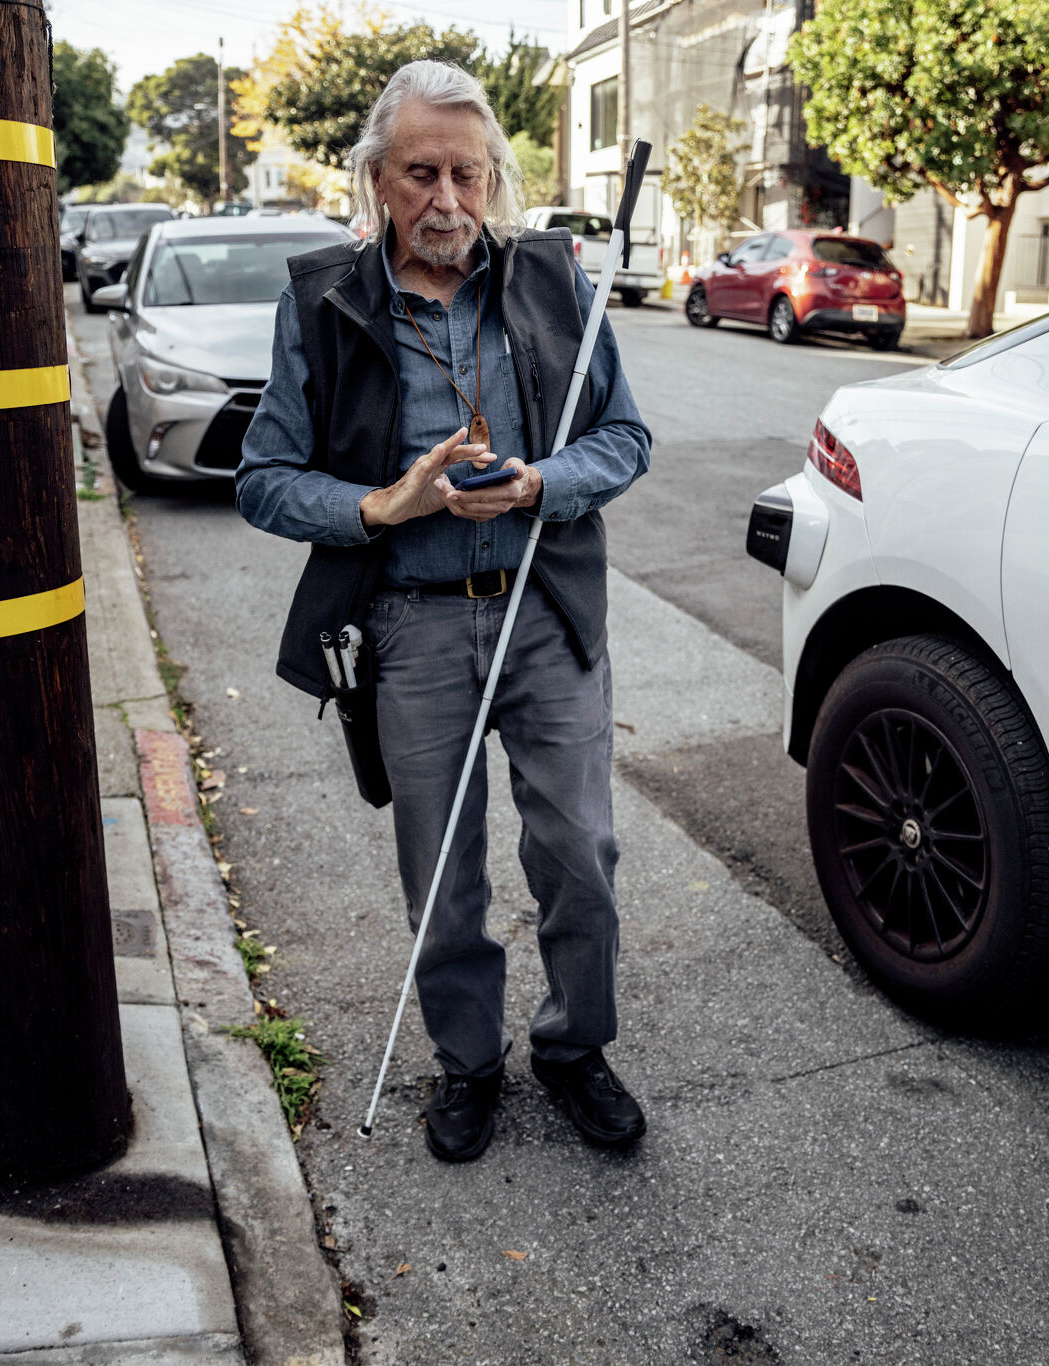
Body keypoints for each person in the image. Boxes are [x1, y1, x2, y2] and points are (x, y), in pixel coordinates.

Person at [236, 60, 653, 1163]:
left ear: (494, 180)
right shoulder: (321, 299)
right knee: (442, 874)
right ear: (377, 179)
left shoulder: (554, 279)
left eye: (467, 175)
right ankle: (467, 1062)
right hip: (411, 625)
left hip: (541, 607)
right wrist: (383, 502)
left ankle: (573, 1047)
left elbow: (624, 440)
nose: (447, 201)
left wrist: (537, 486)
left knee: (579, 850)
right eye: (420, 174)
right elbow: (262, 476)